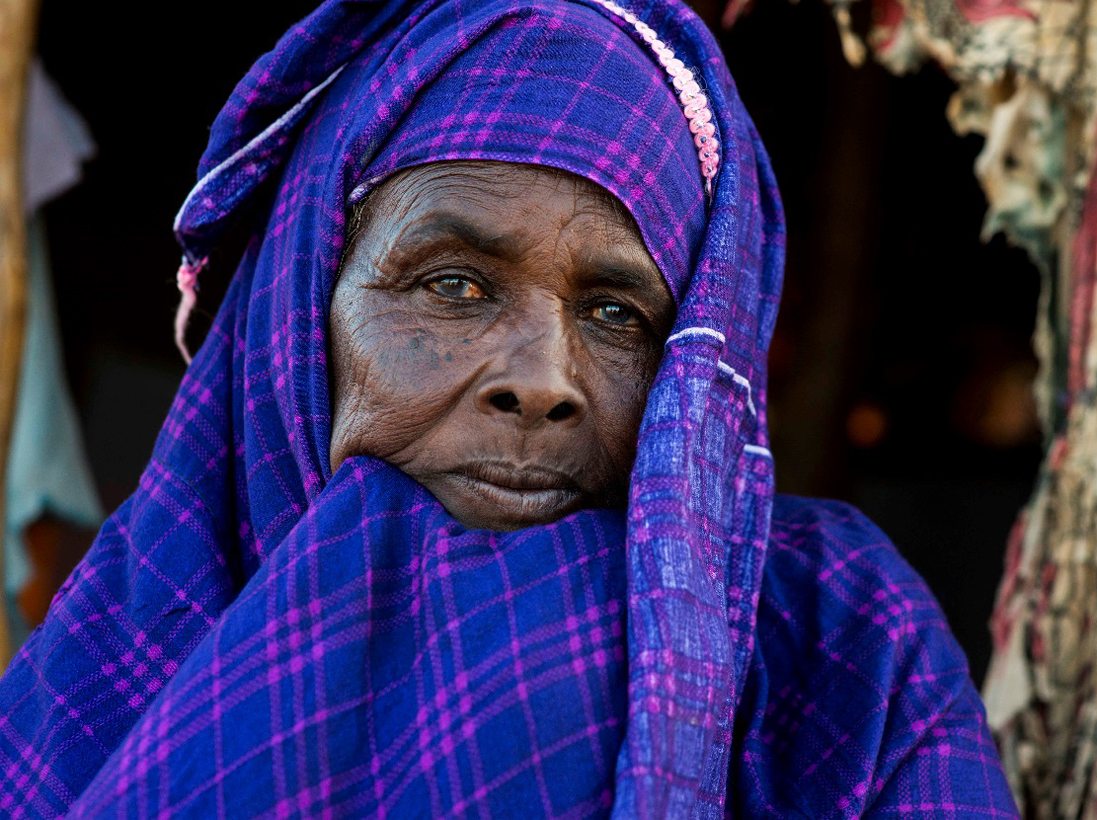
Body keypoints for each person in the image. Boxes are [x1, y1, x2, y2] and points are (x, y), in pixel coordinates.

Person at [0, 0, 1016, 816]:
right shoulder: (98, 686)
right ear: (293, 318)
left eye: (618, 313)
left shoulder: (834, 652)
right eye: (452, 285)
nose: (543, 380)